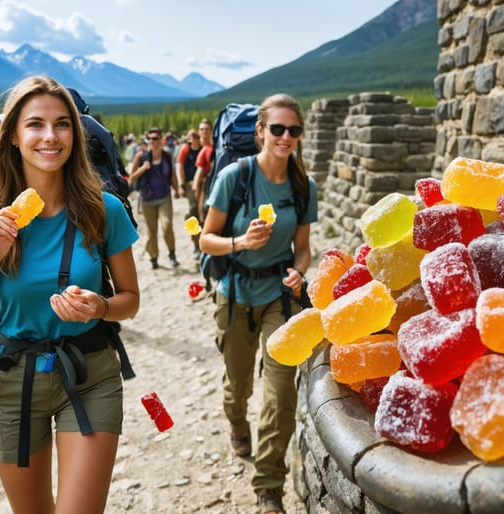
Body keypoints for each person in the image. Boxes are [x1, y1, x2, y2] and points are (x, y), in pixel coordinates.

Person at [0, 76, 140, 514]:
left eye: (63, 124)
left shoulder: (105, 209)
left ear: (76, 134)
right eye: (35, 124)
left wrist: (101, 306)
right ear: (13, 135)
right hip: (12, 381)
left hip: (90, 375)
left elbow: (130, 299)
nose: (50, 136)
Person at [198, 93, 318, 514]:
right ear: (261, 131)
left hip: (278, 298)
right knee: (238, 385)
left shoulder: (303, 186)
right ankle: (236, 422)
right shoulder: (236, 176)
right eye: (278, 129)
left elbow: (302, 247)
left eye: (294, 130)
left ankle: (269, 486)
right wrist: (240, 242)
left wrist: (299, 271)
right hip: (234, 293)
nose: (286, 137)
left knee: (281, 392)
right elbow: (206, 238)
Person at [129, 126, 181, 269]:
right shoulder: (141, 156)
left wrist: (177, 189)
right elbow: (131, 178)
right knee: (152, 231)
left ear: (161, 140)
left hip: (164, 197)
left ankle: (172, 254)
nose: (152, 141)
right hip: (147, 199)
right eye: (150, 138)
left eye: (155, 138)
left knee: (167, 225)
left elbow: (172, 175)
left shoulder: (167, 155)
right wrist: (143, 168)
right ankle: (154, 258)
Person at [176, 128, 203, 257]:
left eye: (193, 137)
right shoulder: (185, 150)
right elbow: (179, 166)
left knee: (203, 211)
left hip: (202, 185)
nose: (191, 140)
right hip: (189, 184)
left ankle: (203, 241)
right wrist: (181, 184)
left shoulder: (203, 148)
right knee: (194, 211)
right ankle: (196, 243)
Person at [192, 118, 214, 222]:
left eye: (206, 129)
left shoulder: (216, 147)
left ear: (211, 131)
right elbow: (199, 172)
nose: (204, 131)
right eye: (202, 129)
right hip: (204, 185)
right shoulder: (193, 145)